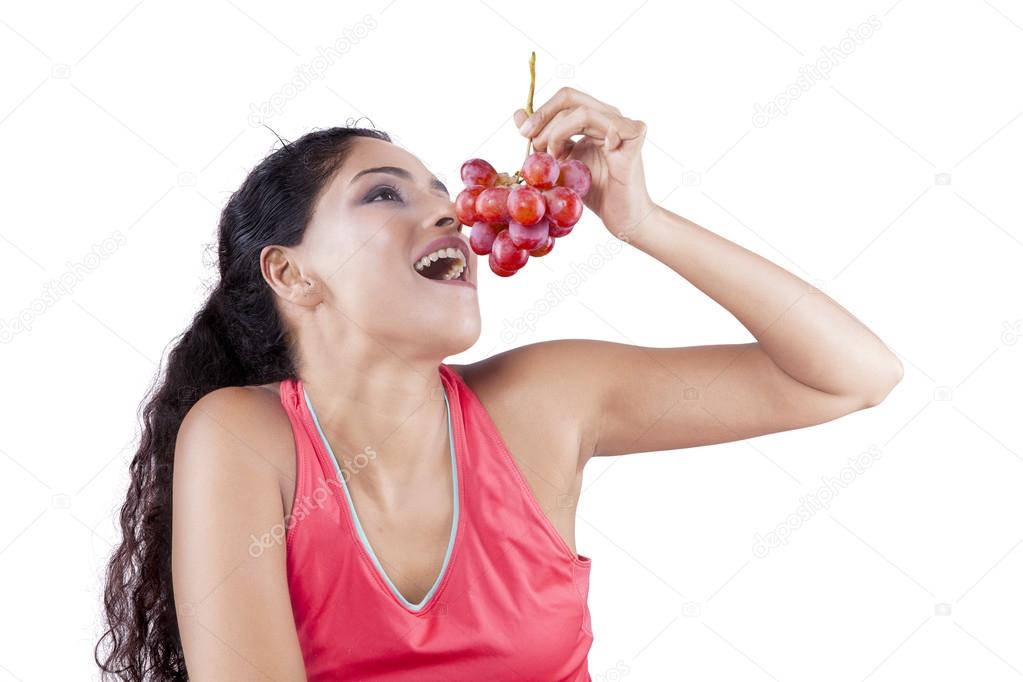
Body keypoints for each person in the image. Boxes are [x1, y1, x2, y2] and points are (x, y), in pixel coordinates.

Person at [95, 87, 902, 681]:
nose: (450, 214)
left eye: (445, 194)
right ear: (292, 274)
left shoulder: (544, 401)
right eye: (384, 194)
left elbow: (851, 377)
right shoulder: (242, 437)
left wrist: (642, 220)